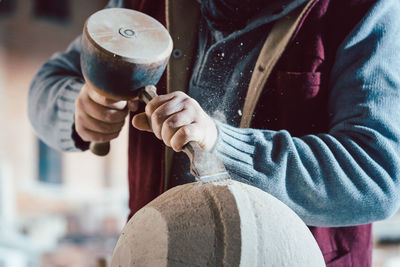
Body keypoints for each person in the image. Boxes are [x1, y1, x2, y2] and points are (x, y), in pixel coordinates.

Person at [29, 0, 400, 265]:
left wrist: (222, 145)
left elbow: (377, 176)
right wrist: (77, 106)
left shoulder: (364, 10)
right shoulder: (144, 7)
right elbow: (46, 83)